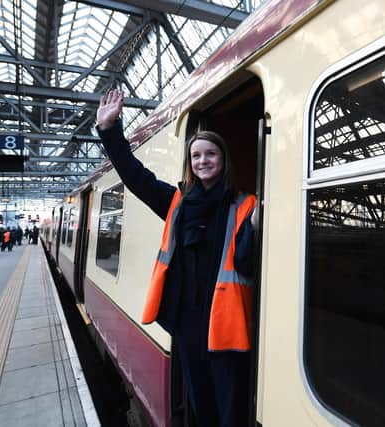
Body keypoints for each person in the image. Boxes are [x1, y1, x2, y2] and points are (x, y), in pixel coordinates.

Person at [97, 89, 259, 427]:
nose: (202, 161)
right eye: (196, 156)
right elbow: (136, 177)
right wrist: (110, 131)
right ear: (190, 163)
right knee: (201, 402)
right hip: (186, 323)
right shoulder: (176, 202)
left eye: (210, 154)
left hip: (225, 325)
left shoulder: (245, 206)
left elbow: (246, 263)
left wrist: (257, 224)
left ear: (223, 159)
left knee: (231, 405)